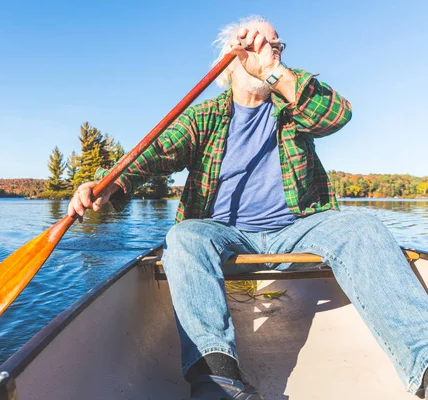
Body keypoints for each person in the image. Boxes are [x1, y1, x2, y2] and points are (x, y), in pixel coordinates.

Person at [67, 15, 428, 400]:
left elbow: (336, 115)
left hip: (299, 226)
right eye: (258, 44)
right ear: (231, 56)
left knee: (362, 226)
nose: (270, 50)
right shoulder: (204, 116)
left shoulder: (291, 100)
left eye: (276, 45)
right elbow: (153, 154)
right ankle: (218, 380)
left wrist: (275, 71)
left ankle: (423, 362)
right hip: (225, 232)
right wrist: (108, 182)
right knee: (184, 236)